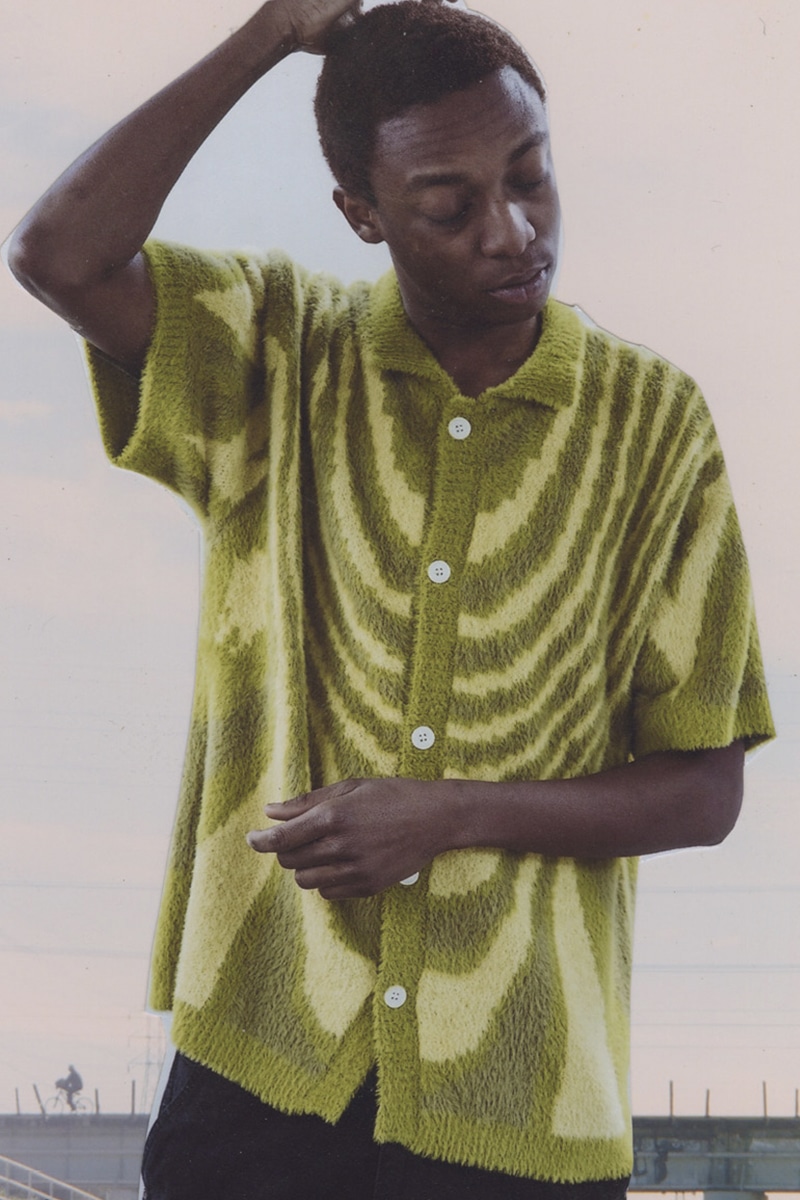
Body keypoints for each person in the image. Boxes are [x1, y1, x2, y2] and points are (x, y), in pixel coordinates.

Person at [7, 1, 774, 1197]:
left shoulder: (653, 426)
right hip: (256, 1078)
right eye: (448, 206)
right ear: (361, 212)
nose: (512, 231)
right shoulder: (274, 354)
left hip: (520, 1105)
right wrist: (271, 33)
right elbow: (58, 254)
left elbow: (704, 789)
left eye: (530, 176)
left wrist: (448, 812)